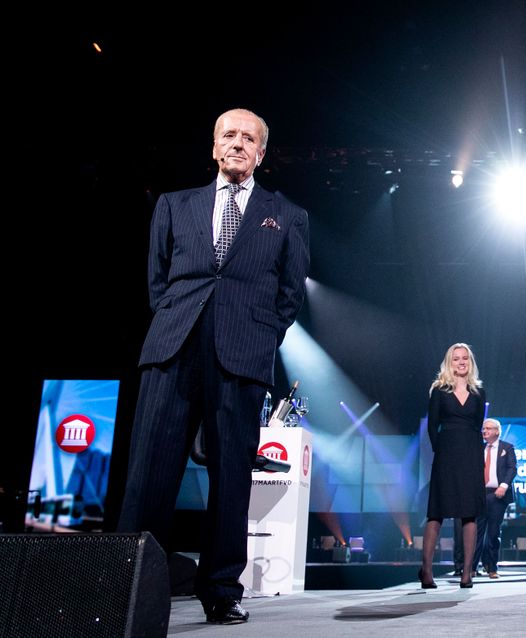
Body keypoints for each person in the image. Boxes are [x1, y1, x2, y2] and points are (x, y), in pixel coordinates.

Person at [118, 108, 310, 625]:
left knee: (231, 478)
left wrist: (260, 336)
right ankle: (127, 583)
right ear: (213, 146)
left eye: (249, 138)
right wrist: (179, 323)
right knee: (149, 473)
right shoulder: (174, 205)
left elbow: (289, 297)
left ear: (262, 154)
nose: (238, 144)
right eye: (229, 135)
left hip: (242, 356)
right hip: (173, 348)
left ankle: (222, 588)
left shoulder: (287, 215)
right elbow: (158, 284)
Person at [421, 343, 486, 589]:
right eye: (457, 358)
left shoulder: (479, 392)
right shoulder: (439, 390)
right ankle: (426, 572)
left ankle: (467, 573)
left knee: (469, 514)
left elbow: (477, 426)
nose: (461, 362)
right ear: (450, 362)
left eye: (465, 358)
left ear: (470, 362)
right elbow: (432, 426)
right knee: (436, 512)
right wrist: (442, 451)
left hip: (471, 454)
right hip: (446, 454)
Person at [471, 418, 517, 578]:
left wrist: (503, 486)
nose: (484, 431)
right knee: (476, 532)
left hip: (498, 494)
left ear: (497, 431)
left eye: (488, 428)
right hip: (480, 494)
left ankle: (492, 567)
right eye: (483, 429)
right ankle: (472, 568)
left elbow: (512, 468)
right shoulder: (479, 448)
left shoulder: (507, 448)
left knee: (493, 532)